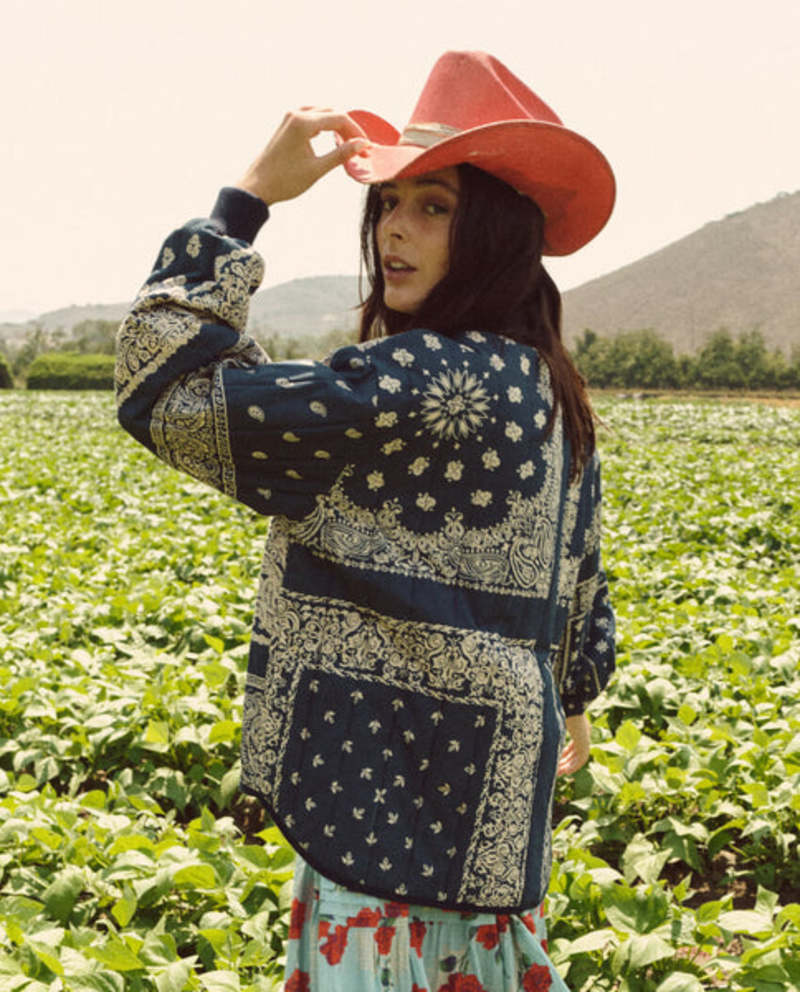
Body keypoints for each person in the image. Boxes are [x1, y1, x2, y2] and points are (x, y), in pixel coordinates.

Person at [116, 50, 615, 992]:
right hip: (488, 818)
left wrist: (245, 199)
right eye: (389, 203)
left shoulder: (413, 384)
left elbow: (169, 390)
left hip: (379, 796)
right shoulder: (547, 384)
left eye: (435, 206)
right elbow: (580, 561)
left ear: (495, 234)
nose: (395, 229)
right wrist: (575, 694)